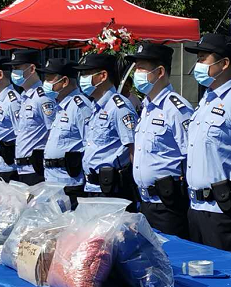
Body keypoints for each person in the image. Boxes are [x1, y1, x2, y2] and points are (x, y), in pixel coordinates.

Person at [184, 33, 231, 252]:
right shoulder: (207, 98)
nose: (198, 65)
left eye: (203, 58)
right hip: (196, 207)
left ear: (224, 64)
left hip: (222, 210)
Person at [126, 43, 193, 238]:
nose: (136, 74)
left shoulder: (176, 108)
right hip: (146, 202)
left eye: (141, 68)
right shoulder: (146, 107)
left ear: (160, 72)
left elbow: (190, 155)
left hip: (168, 204)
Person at [72, 53, 137, 202]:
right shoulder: (95, 106)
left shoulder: (119, 107)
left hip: (112, 190)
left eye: (87, 73)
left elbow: (133, 148)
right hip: (93, 188)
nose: (82, 78)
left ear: (103, 76)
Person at [39, 58, 93, 207]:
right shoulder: (61, 106)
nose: (45, 83)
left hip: (70, 183)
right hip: (53, 182)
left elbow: (89, 143)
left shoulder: (80, 106)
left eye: (49, 78)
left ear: (64, 81)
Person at [8, 50, 56, 185]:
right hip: (22, 168)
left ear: (32, 69)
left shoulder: (43, 98)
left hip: (35, 169)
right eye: (13, 68)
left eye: (17, 68)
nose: (14, 72)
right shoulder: (24, 97)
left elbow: (53, 131)